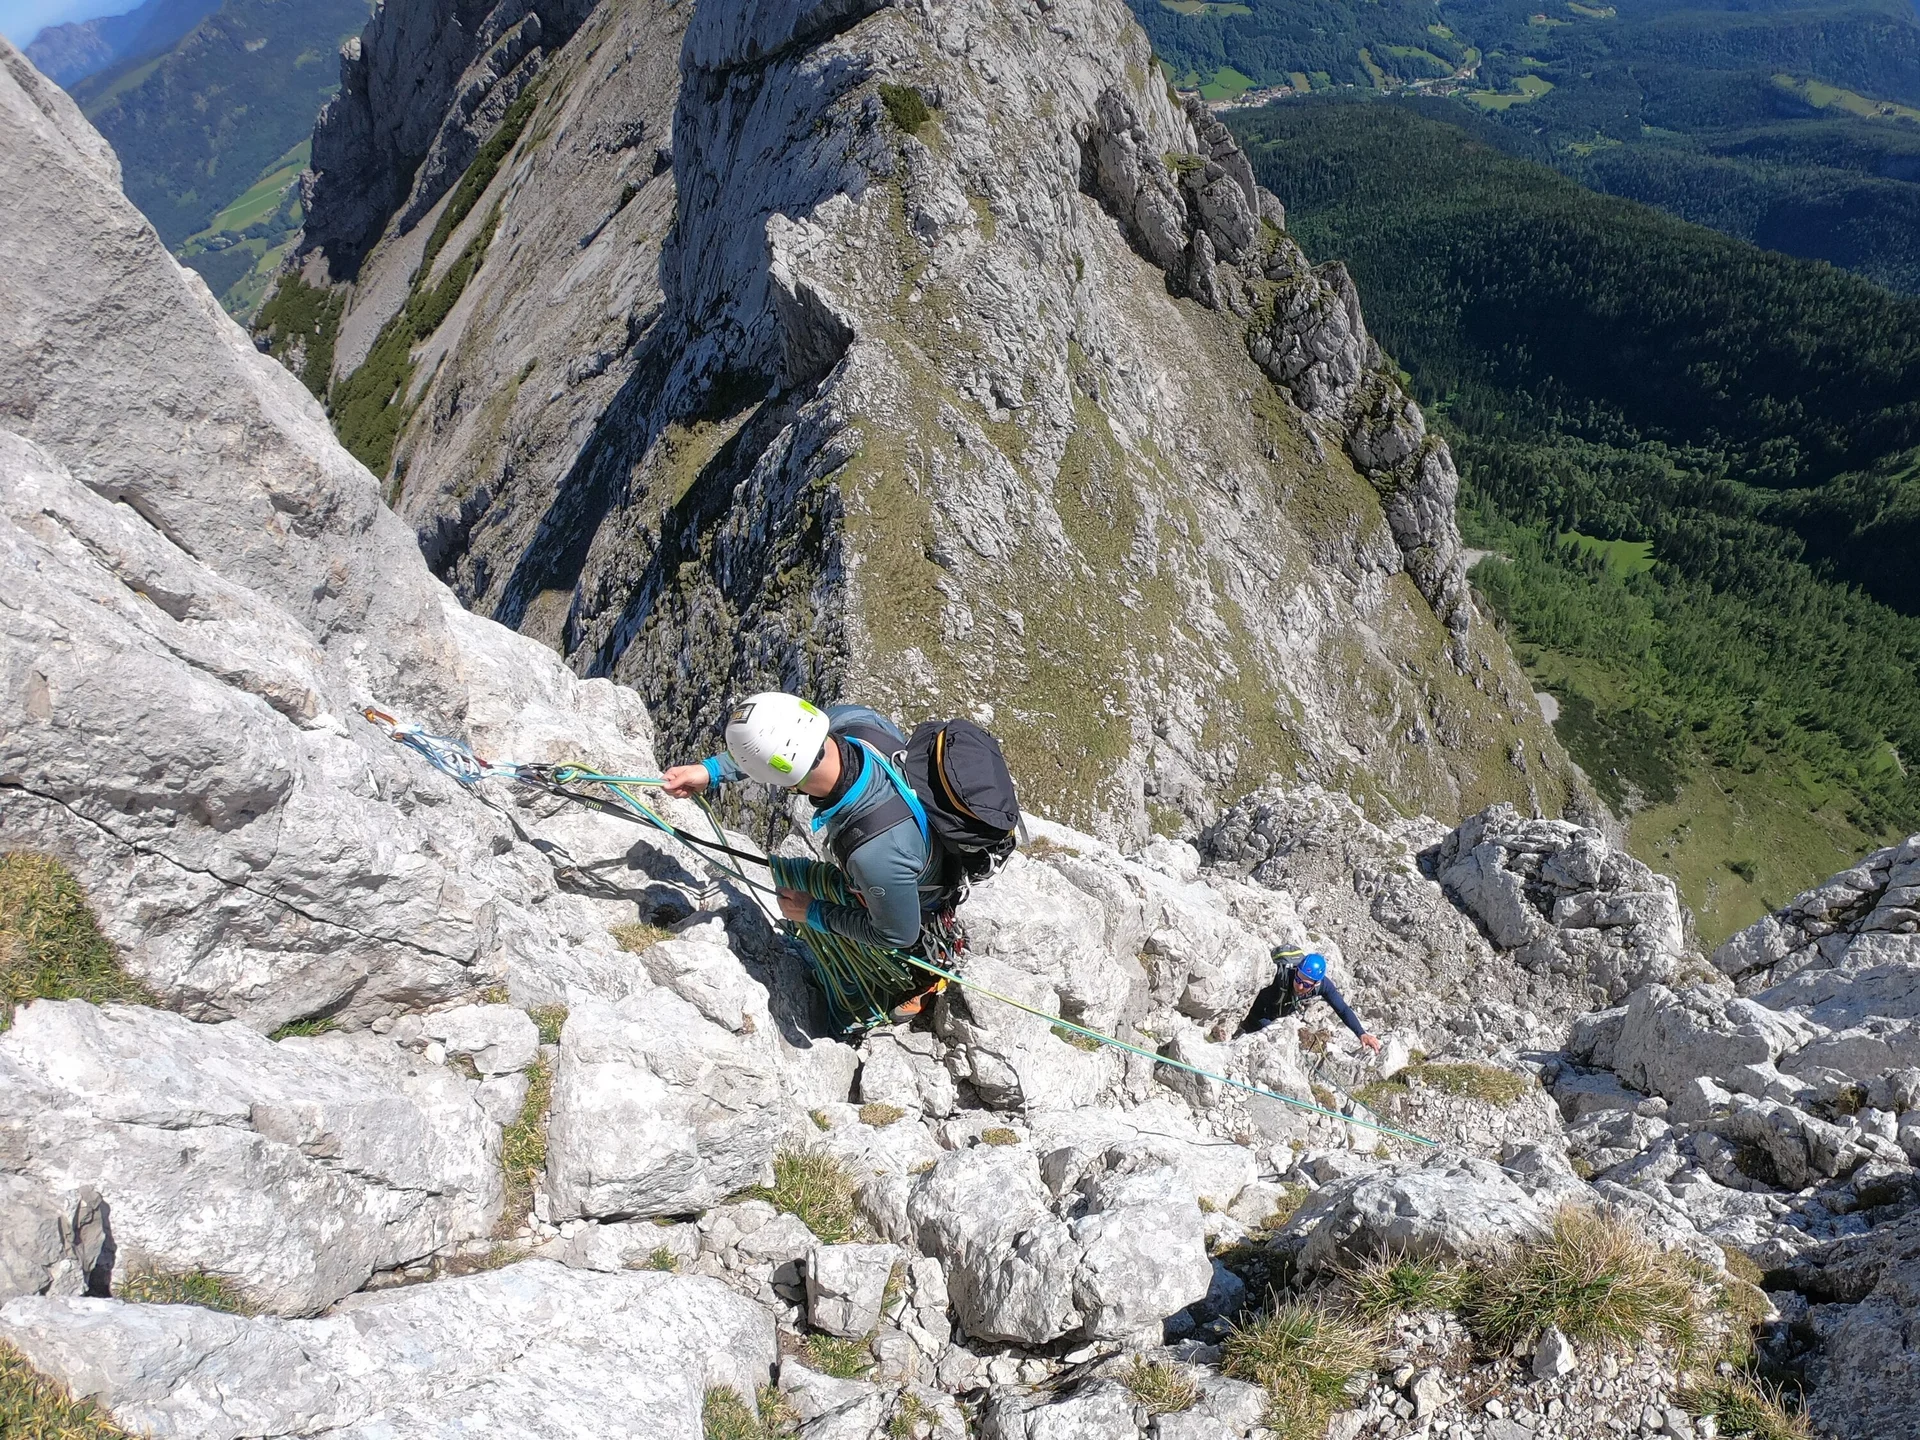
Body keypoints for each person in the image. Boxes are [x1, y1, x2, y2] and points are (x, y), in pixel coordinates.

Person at [661, 693, 954, 1021]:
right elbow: (783, 744)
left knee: (893, 943)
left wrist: (812, 911)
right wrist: (710, 770)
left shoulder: (873, 854)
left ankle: (926, 978)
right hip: (913, 850)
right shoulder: (853, 722)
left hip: (918, 896)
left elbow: (897, 934)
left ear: (785, 781)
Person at [1238, 949, 1382, 1053]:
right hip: (1261, 1011)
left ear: (1316, 984)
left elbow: (1342, 1009)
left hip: (1280, 1009)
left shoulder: (1323, 986)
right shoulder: (1280, 979)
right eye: (1298, 979)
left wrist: (1361, 1033)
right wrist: (1270, 1029)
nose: (1300, 986)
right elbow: (1255, 1008)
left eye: (1306, 984)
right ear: (1296, 971)